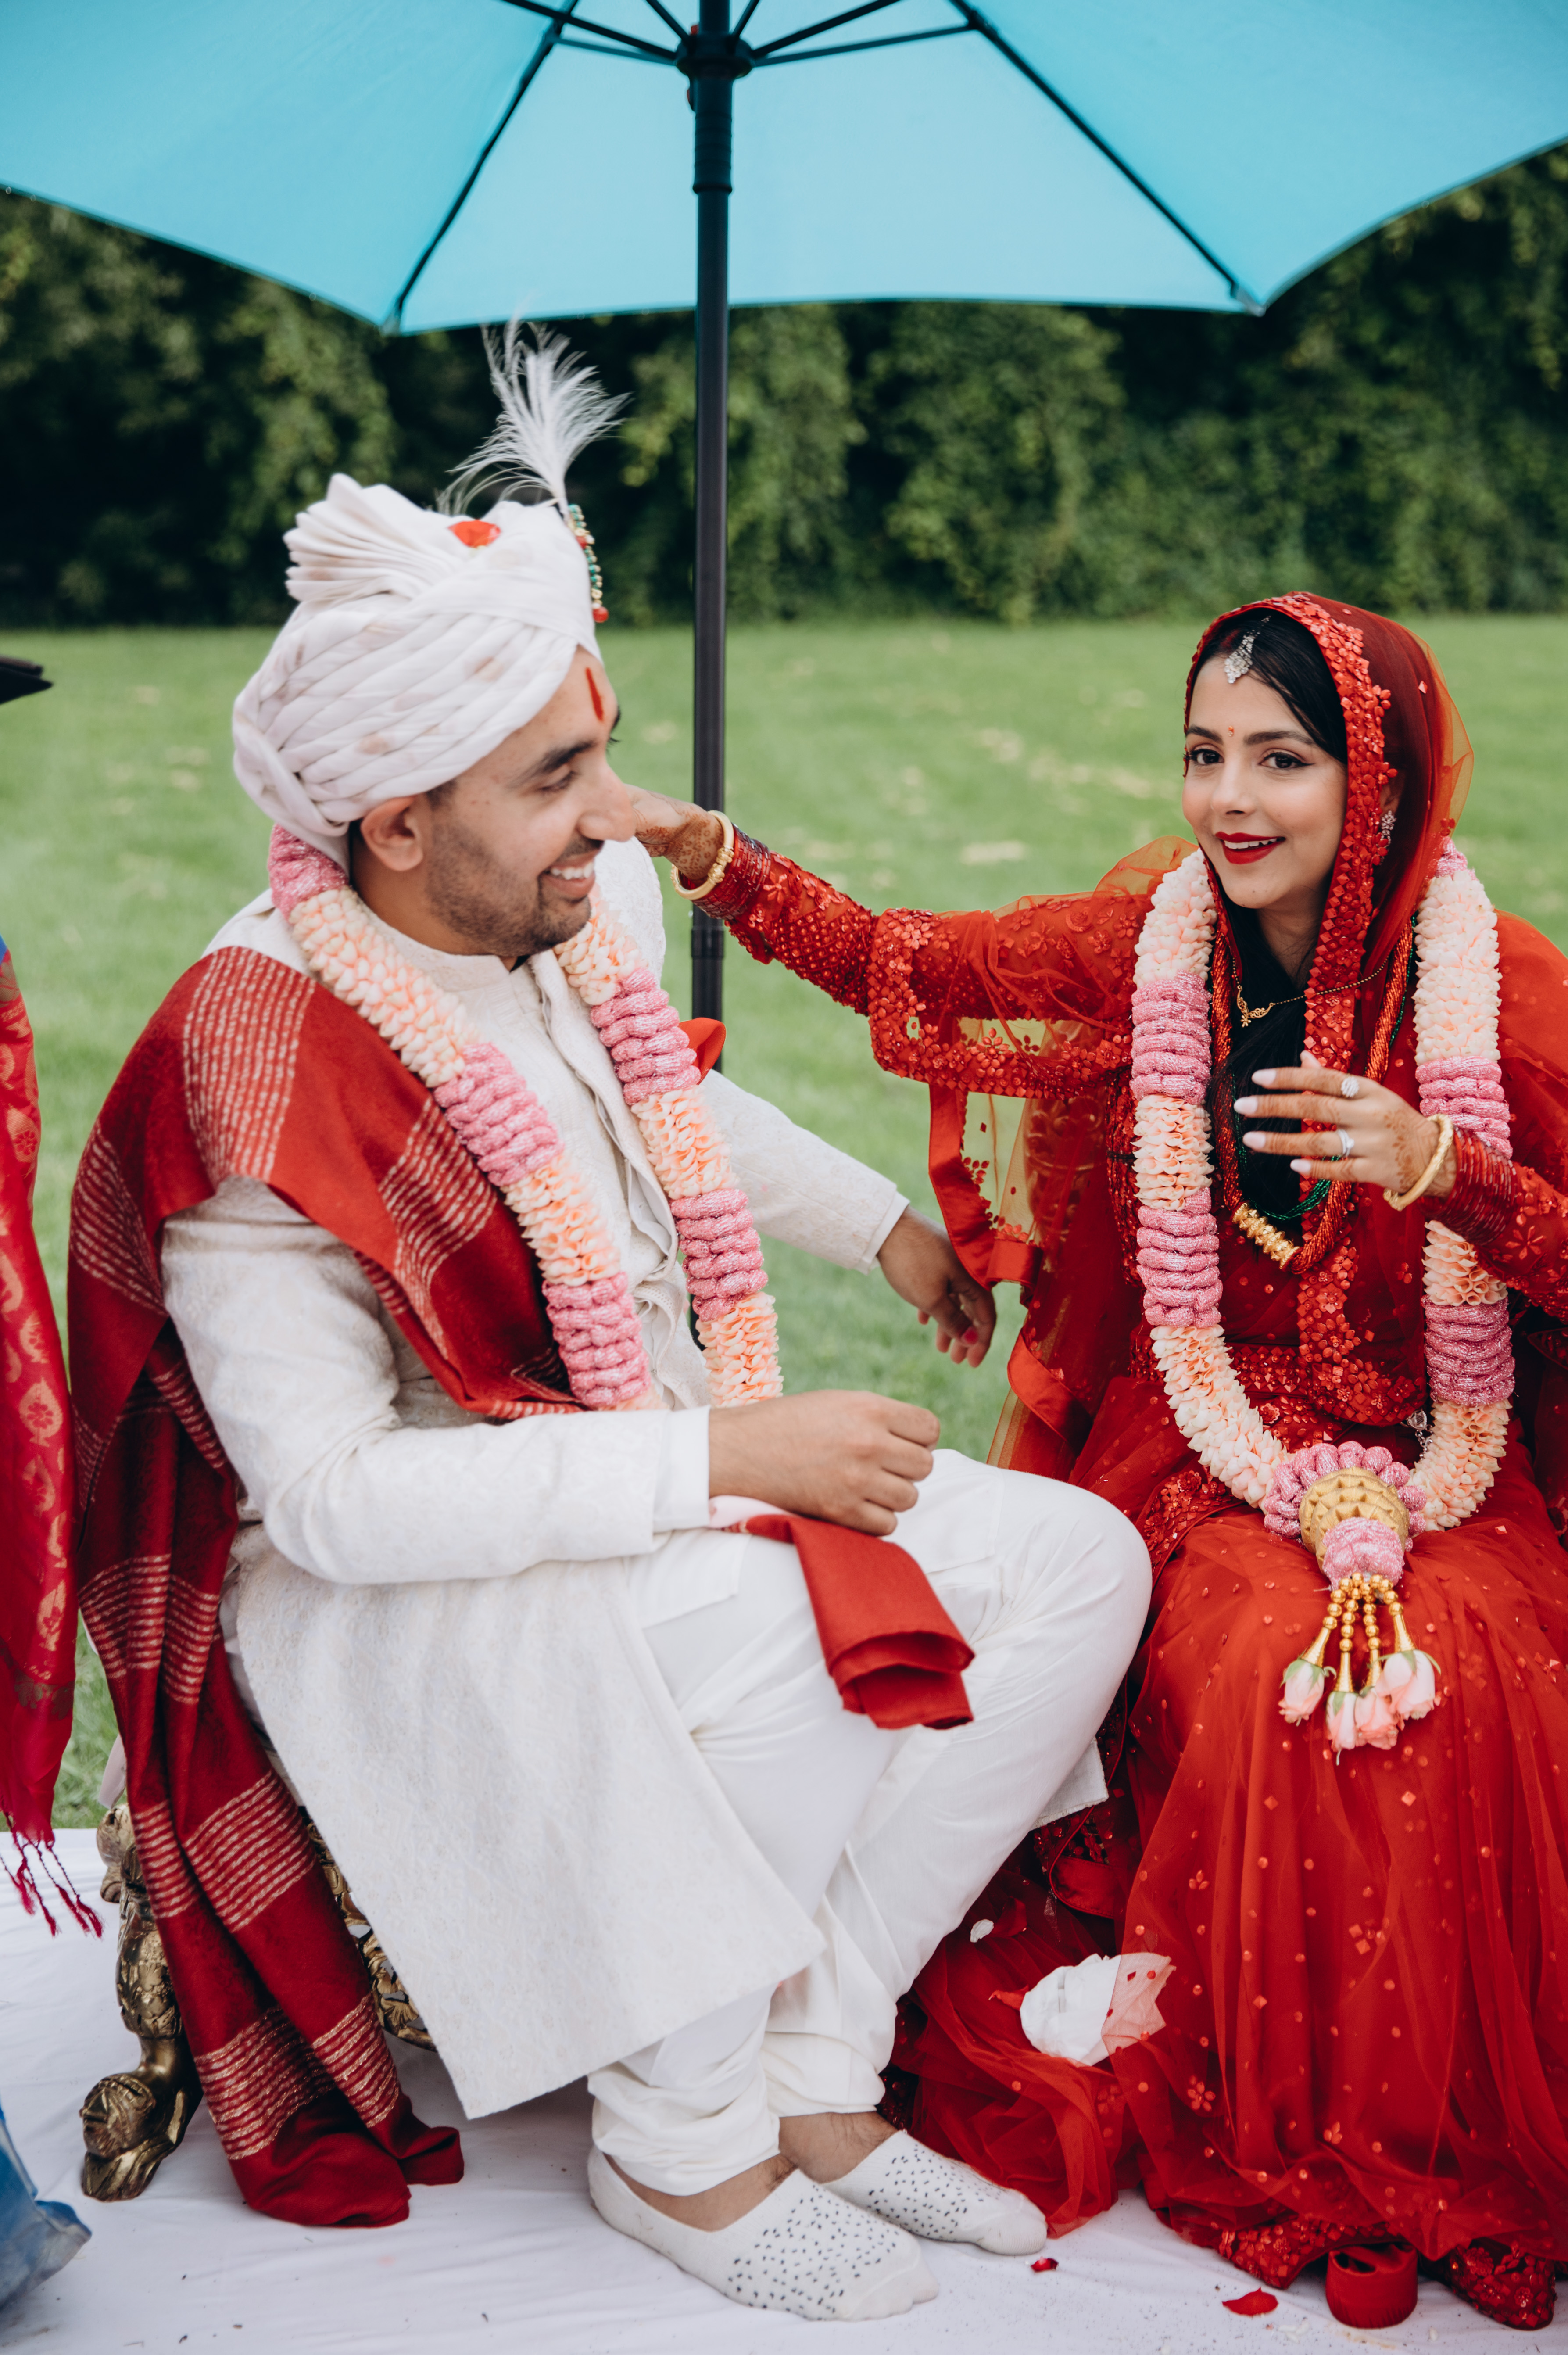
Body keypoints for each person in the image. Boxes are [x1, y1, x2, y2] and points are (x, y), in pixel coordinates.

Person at [63, 334, 1150, 2318]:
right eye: (559, 777)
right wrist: (719, 1460)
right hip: (395, 1587)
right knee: (809, 1619)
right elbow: (331, 1505)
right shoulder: (261, 1053)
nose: (620, 811)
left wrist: (888, 1228)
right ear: (397, 822)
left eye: (604, 748)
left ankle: (812, 2064)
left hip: (645, 1461)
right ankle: (680, 2144)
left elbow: (667, 1108)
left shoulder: (573, 905)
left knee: (1079, 1567)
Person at [634, 595, 1568, 2330]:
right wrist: (714, 860)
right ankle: (1291, 2143)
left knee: (1486, 1665)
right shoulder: (1154, 948)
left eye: (1281, 761)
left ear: (1376, 784)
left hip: (1447, 1442)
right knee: (1260, 1664)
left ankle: (1433, 2138)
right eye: (1205, 754)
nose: (1232, 799)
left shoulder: (1497, 990)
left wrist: (1446, 1168)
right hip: (1209, 1440)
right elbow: (914, 966)